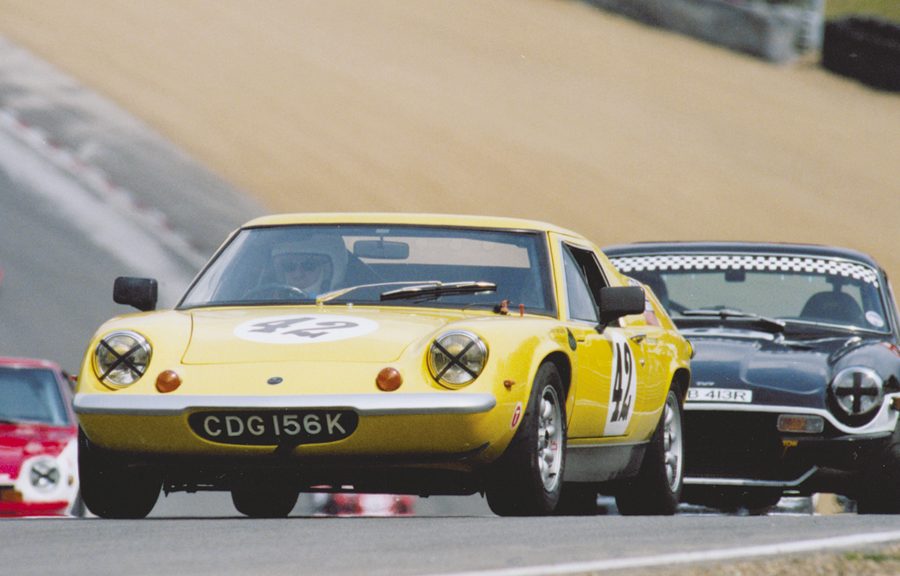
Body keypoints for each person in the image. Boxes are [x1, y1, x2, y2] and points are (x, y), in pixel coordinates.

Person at [270, 234, 349, 297]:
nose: (298, 274)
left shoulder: (344, 302)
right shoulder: (267, 301)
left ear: (326, 270)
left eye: (309, 265)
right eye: (289, 266)